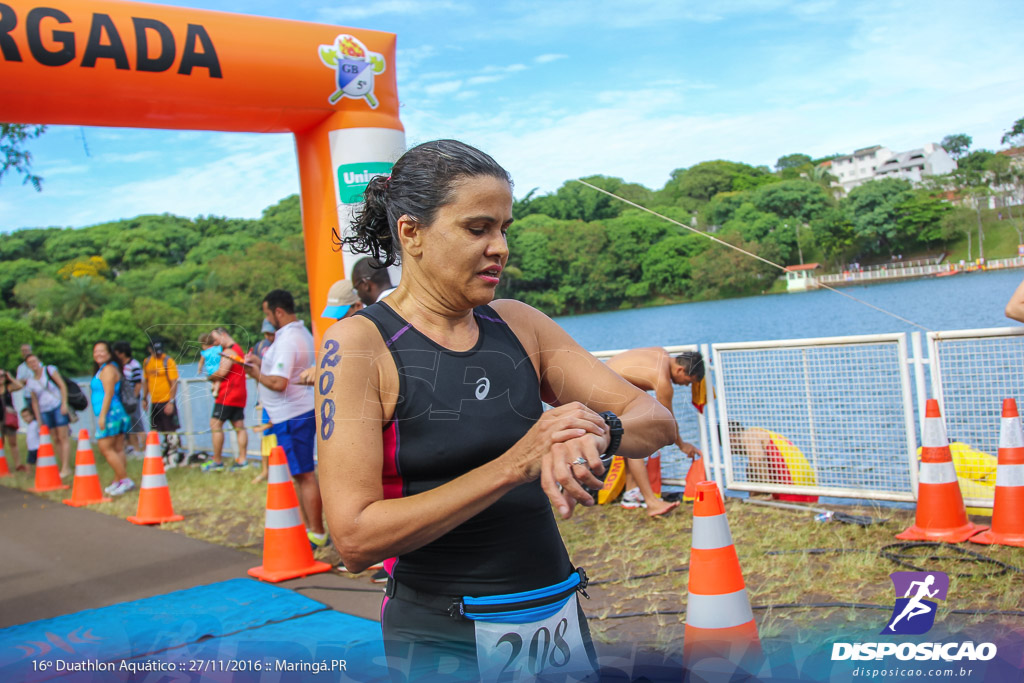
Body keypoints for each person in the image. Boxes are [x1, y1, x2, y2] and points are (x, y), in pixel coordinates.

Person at [316, 140, 675, 680]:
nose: (500, 247)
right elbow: (355, 539)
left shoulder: (518, 324)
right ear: (411, 232)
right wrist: (517, 463)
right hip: (442, 632)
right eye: (477, 228)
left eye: (505, 228)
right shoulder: (359, 346)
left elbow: (656, 420)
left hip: (553, 610)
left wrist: (594, 433)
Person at [243, 290, 328, 549]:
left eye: (268, 314)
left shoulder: (290, 339)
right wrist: (260, 363)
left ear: (278, 312)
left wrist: (255, 373)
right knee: (300, 474)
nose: (268, 319)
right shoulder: (298, 333)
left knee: (303, 474)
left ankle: (316, 531)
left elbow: (279, 382)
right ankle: (310, 529)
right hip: (294, 413)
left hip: (293, 415)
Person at [605, 347, 704, 516]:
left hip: (605, 379)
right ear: (680, 369)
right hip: (606, 387)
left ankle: (631, 493)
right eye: (688, 381)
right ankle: (651, 502)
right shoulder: (663, 382)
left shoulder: (661, 353)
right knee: (634, 439)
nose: (686, 385)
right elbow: (668, 422)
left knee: (627, 436)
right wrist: (682, 445)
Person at [298, 278, 363, 386]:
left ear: (358, 306)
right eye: (336, 317)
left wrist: (322, 371)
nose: (339, 322)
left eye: (342, 315)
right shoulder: (347, 333)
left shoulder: (373, 330)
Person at [202, 328, 249, 472]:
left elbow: (222, 372)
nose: (215, 343)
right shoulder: (238, 349)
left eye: (216, 339)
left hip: (228, 393)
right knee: (239, 425)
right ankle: (242, 460)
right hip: (239, 392)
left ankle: (217, 461)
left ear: (223, 335)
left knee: (215, 424)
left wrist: (209, 376)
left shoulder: (230, 351)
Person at [91, 341, 134, 496]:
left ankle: (124, 480)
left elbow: (109, 393)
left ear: (109, 353)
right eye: (96, 351)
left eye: (102, 351)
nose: (98, 354)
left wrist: (102, 416)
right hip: (116, 412)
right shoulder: (104, 369)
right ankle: (118, 481)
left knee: (105, 448)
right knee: (117, 448)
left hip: (111, 413)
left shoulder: (108, 369)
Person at [23, 354, 72, 478]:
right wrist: (38, 419)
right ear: (28, 366)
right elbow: (34, 401)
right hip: (44, 410)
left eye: (34, 361)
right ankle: (62, 466)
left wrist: (64, 403)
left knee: (63, 436)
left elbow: (62, 385)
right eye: (30, 363)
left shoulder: (49, 370)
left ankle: (66, 467)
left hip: (57, 405)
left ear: (39, 361)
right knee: (55, 438)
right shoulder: (31, 381)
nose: (33, 364)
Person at [142, 340, 181, 463]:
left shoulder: (168, 361)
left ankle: (174, 453)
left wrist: (171, 401)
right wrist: (144, 398)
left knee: (171, 429)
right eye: (155, 351)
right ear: (150, 350)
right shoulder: (147, 362)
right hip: (154, 401)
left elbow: (173, 381)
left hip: (166, 400)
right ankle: (163, 453)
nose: (158, 354)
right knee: (157, 429)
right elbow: (145, 381)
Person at [250, 320, 277, 484]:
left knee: (276, 433)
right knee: (266, 436)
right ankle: (266, 470)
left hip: (280, 395)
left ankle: (280, 469)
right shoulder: (261, 346)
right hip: (266, 395)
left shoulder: (283, 344)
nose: (268, 336)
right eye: (266, 333)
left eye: (271, 333)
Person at [112, 341, 145, 456]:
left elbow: (138, 383)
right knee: (129, 426)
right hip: (123, 400)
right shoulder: (119, 366)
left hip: (132, 399)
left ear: (122, 353)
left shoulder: (134, 365)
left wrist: (134, 399)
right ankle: (135, 450)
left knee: (137, 425)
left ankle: (145, 450)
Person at [0, 367, 27, 472]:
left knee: (13, 443)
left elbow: (20, 386)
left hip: (8, 419)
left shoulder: (8, 387)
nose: (1, 378)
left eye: (2, 376)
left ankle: (18, 465)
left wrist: (10, 378)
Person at [197, 332, 224, 397]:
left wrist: (199, 370)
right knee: (218, 380)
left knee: (214, 380)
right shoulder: (218, 348)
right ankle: (215, 390)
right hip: (218, 368)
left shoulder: (204, 353)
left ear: (204, 345)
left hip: (210, 370)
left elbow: (201, 362)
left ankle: (213, 387)